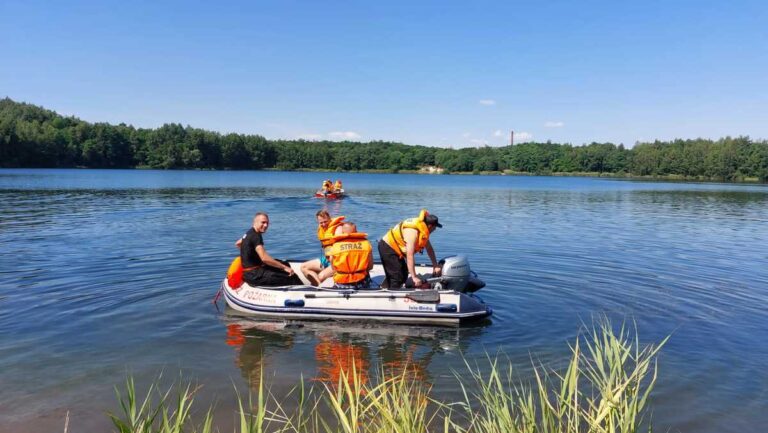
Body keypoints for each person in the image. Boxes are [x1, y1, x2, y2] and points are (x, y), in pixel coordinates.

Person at [378, 209, 442, 289]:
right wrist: (414, 277)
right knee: (397, 276)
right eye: (434, 227)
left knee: (404, 273)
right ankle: (393, 296)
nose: (435, 230)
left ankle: (386, 287)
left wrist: (435, 265)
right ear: (430, 226)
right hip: (387, 247)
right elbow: (410, 255)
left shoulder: (422, 231)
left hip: (396, 250)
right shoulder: (413, 232)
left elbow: (429, 249)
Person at [239, 212, 302, 287]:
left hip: (250, 272)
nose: (265, 225)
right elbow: (265, 258)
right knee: (291, 277)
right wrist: (285, 268)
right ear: (255, 222)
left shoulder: (248, 233)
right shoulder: (256, 236)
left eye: (267, 223)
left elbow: (238, 243)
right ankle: (304, 292)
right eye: (263, 222)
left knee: (285, 263)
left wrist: (249, 254)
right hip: (254, 275)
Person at [300, 210, 345, 285]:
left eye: (325, 221)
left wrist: (332, 259)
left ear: (329, 218)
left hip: (337, 262)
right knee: (303, 267)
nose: (323, 224)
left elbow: (339, 248)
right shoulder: (322, 228)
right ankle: (319, 287)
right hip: (327, 259)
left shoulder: (338, 229)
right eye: (321, 222)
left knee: (320, 276)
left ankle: (319, 288)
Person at [328, 222, 373, 288]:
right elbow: (370, 267)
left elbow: (333, 268)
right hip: (361, 282)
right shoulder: (366, 244)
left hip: (342, 283)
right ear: (356, 232)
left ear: (343, 233)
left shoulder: (335, 246)